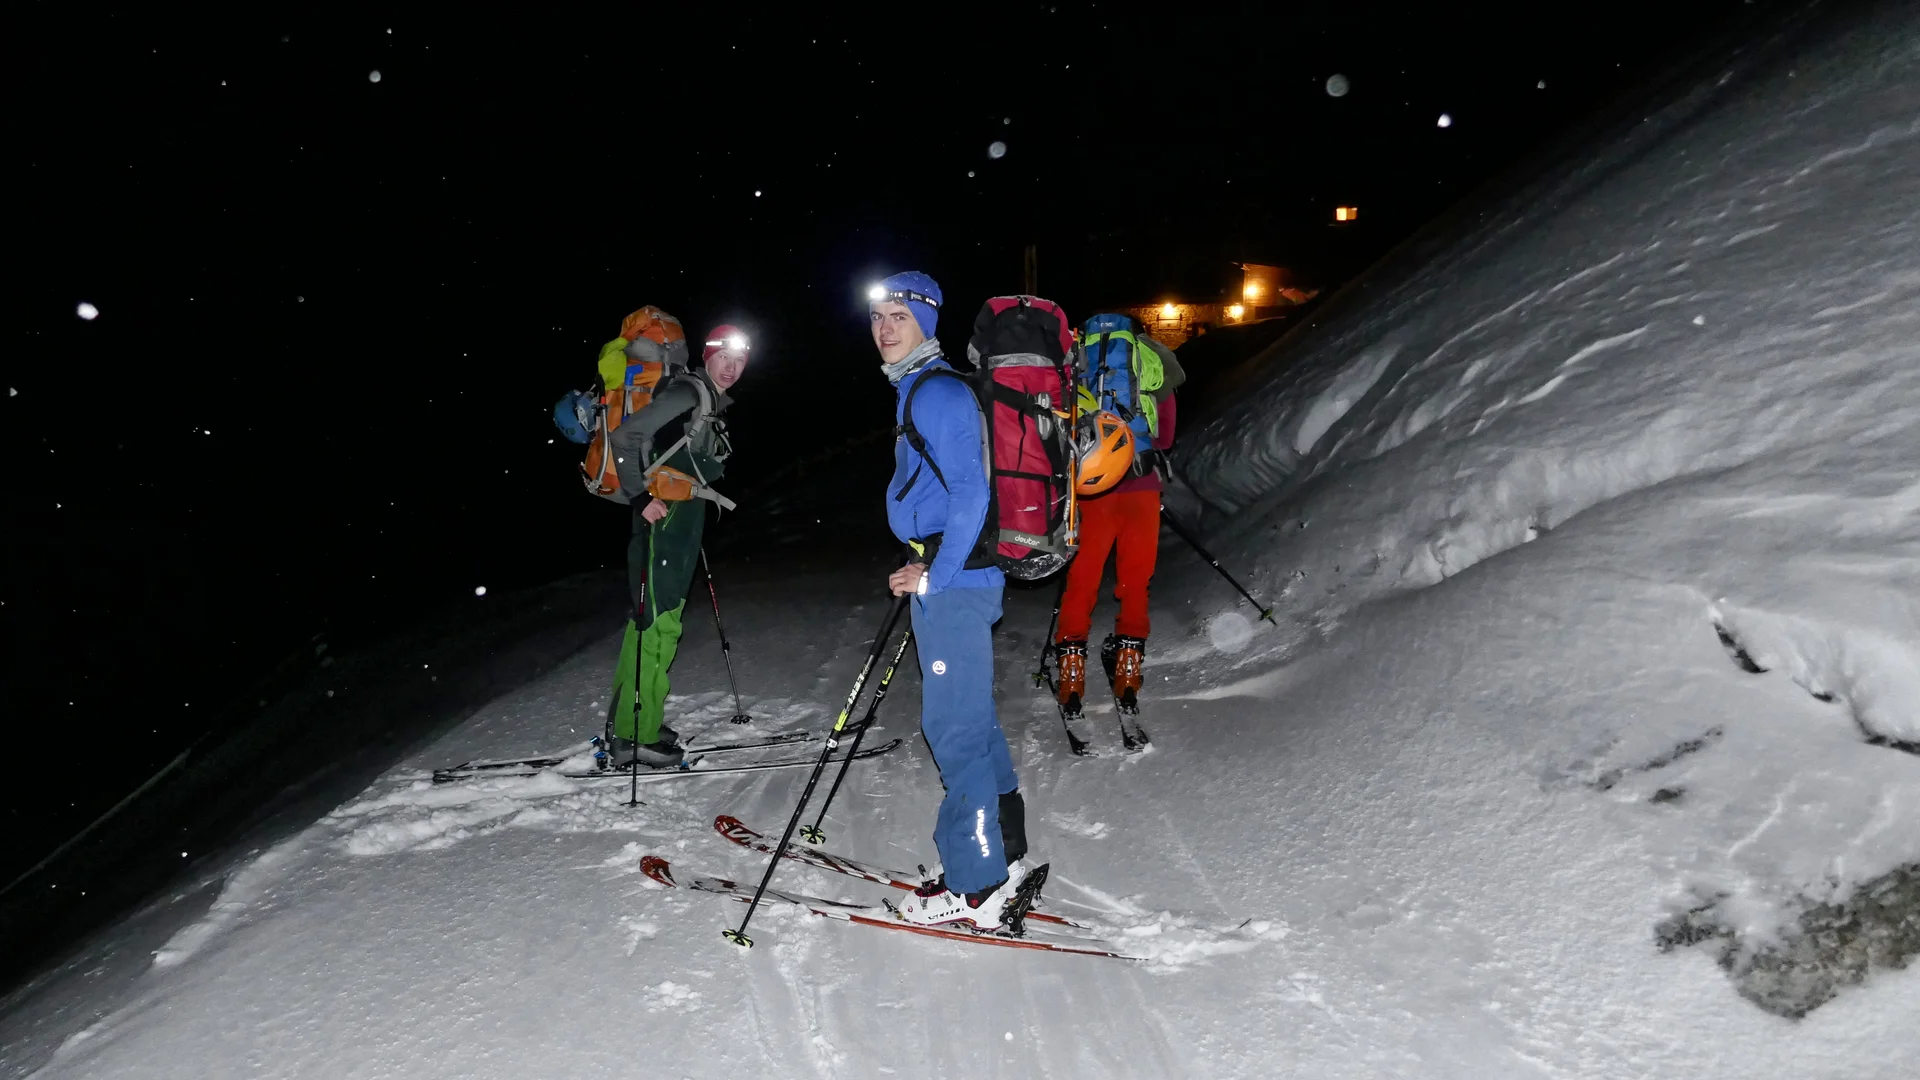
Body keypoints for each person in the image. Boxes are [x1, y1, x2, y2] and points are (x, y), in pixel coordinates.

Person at [869, 271, 1032, 930]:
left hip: (954, 583)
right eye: (878, 317)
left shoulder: (935, 393)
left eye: (898, 317)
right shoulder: (920, 386)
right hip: (952, 575)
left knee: (953, 728)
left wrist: (935, 572)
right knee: (972, 717)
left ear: (926, 323)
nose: (884, 328)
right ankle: (1005, 847)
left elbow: (971, 494)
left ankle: (975, 886)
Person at [604, 322, 750, 768]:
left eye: (739, 359)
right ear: (706, 356)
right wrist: (641, 497)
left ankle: (633, 721)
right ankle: (637, 736)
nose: (731, 367)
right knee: (660, 623)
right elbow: (625, 436)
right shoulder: (690, 392)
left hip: (681, 516)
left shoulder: (706, 399)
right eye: (723, 356)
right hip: (664, 519)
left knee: (649, 620)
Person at [1054, 324, 1184, 718]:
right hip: (1142, 485)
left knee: (1082, 580)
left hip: (1093, 488)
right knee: (1135, 580)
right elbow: (1166, 435)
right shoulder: (1149, 357)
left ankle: (1071, 671)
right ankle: (1128, 669)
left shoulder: (1078, 358)